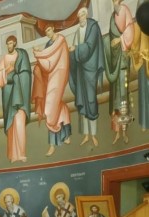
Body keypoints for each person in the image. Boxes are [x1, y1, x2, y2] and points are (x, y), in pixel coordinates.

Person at [32, 26, 72, 156]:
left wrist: (38, 54)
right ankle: (62, 137)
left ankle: (56, 141)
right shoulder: (49, 44)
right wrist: (39, 61)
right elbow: (47, 64)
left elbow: (51, 59)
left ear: (53, 28)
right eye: (45, 32)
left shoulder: (60, 40)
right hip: (51, 76)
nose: (47, 33)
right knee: (56, 105)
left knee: (50, 108)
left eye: (49, 30)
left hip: (60, 74)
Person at [69, 7, 104, 147]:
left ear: (86, 14)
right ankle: (86, 134)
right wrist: (72, 51)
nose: (80, 18)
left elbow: (89, 47)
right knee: (82, 100)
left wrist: (76, 49)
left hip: (90, 68)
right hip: (80, 70)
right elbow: (75, 48)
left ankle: (94, 135)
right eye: (79, 16)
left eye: (82, 14)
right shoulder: (77, 31)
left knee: (91, 100)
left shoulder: (93, 27)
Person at [0, 36, 31, 163]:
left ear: (15, 43)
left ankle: (21, 154)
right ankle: (13, 155)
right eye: (7, 44)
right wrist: (7, 70)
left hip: (20, 94)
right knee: (11, 126)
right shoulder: (5, 58)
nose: (9, 46)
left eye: (10, 43)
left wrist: (15, 75)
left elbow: (26, 73)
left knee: (20, 124)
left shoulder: (22, 55)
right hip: (9, 94)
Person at [104, 0, 135, 128]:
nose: (114, 1)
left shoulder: (124, 9)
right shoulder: (113, 15)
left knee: (123, 86)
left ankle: (124, 124)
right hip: (115, 58)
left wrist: (120, 39)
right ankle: (117, 124)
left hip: (122, 56)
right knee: (116, 88)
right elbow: (110, 36)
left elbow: (130, 30)